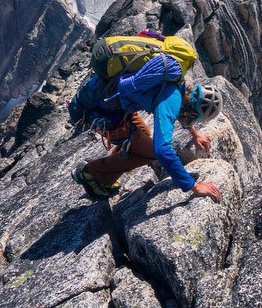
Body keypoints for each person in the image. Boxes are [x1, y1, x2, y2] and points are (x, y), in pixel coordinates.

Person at [69, 53, 223, 203]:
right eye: (194, 117)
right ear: (194, 111)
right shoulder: (173, 100)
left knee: (144, 134)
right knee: (150, 152)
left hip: (107, 97)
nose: (191, 119)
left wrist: (194, 133)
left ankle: (108, 168)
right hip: (102, 113)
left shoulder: (179, 83)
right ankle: (89, 173)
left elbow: (177, 109)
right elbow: (162, 151)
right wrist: (193, 186)